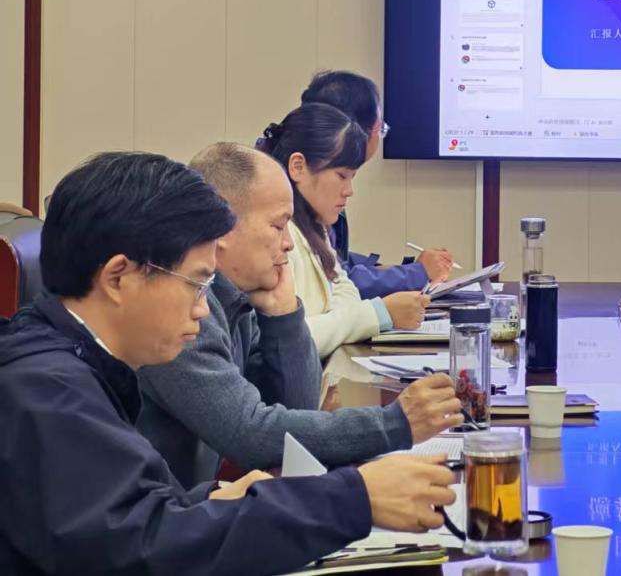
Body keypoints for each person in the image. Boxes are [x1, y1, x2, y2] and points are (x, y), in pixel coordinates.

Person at [0, 152, 456, 576]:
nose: (203, 309)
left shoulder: (81, 368)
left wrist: (212, 498)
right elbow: (145, 550)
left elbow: (130, 515)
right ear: (118, 278)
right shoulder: (48, 394)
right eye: (196, 285)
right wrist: (352, 500)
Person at [136, 142, 461, 487]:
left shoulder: (237, 298)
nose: (289, 243)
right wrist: (395, 423)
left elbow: (294, 414)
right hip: (169, 513)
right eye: (278, 226)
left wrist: (283, 314)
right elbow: (251, 433)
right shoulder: (182, 309)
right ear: (223, 229)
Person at [257, 103, 431, 356]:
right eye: (341, 176)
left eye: (352, 177)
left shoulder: (314, 226)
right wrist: (376, 314)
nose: (349, 191)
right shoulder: (280, 236)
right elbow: (295, 339)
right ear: (298, 166)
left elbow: (344, 288)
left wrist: (340, 321)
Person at [301, 70, 454, 297]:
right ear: (353, 129)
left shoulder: (310, 173)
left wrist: (389, 269)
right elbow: (331, 280)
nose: (349, 191)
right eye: (380, 128)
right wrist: (415, 274)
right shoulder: (293, 190)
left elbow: (334, 259)